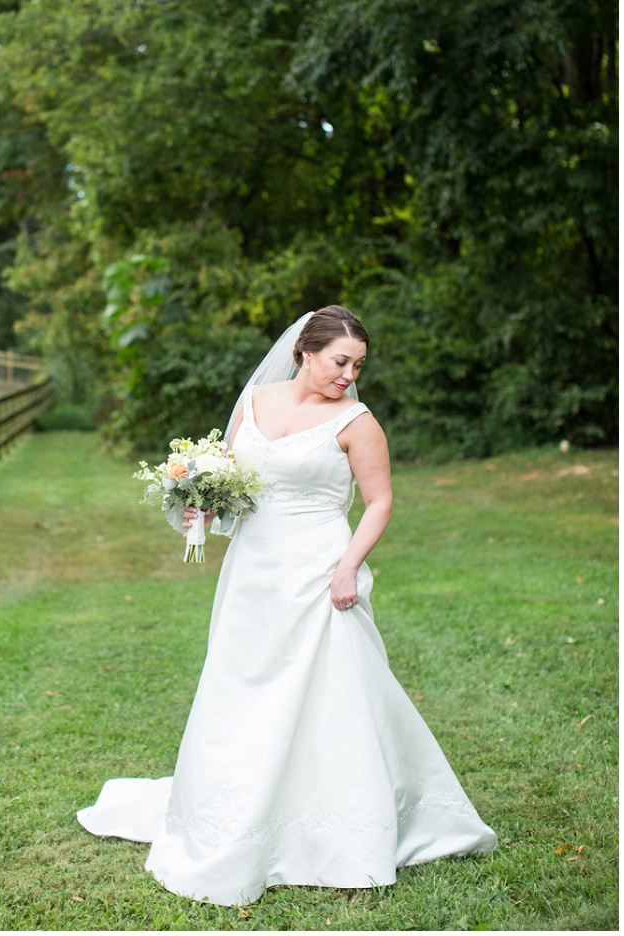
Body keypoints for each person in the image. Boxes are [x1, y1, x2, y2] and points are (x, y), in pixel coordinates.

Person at [78, 306, 497, 904]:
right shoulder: (254, 402)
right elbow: (231, 484)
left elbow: (378, 501)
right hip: (253, 571)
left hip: (321, 570)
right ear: (305, 352)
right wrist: (198, 500)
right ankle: (235, 806)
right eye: (340, 361)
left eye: (358, 364)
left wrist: (349, 565)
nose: (349, 375)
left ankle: (335, 823)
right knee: (242, 684)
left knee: (334, 692)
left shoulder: (357, 422)